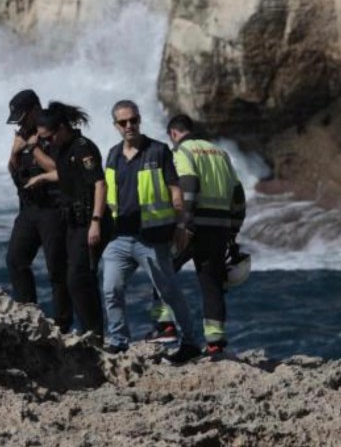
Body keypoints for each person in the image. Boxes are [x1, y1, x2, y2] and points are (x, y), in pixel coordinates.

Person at [101, 100, 202, 363]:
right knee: (111, 289)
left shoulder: (158, 151)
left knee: (169, 292)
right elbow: (106, 195)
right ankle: (119, 341)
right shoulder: (112, 155)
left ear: (139, 120)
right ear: (116, 126)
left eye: (133, 120)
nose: (129, 126)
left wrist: (181, 225)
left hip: (152, 238)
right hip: (119, 238)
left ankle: (191, 342)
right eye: (123, 122)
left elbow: (175, 191)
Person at [146, 114, 247, 357]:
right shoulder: (220, 153)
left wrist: (184, 224)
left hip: (193, 226)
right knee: (212, 284)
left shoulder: (183, 152)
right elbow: (238, 194)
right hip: (219, 229)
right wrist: (233, 230)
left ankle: (165, 326)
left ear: (173, 133)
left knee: (161, 271)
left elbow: (189, 185)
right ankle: (215, 342)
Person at [25, 102, 106, 339]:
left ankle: (94, 333)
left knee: (78, 277)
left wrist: (96, 221)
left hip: (89, 220)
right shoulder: (62, 147)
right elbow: (65, 173)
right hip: (72, 220)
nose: (46, 143)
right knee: (75, 277)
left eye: (48, 138)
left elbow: (100, 183)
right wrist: (42, 178)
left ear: (61, 128)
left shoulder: (83, 147)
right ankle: (88, 330)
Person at [5, 89, 74, 333]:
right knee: (15, 260)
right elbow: (13, 170)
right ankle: (27, 313)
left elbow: (60, 169)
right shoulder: (22, 134)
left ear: (35, 110)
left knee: (57, 269)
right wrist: (15, 152)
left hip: (52, 209)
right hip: (28, 207)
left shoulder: (51, 130)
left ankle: (63, 325)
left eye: (24, 117)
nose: (21, 123)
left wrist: (33, 149)